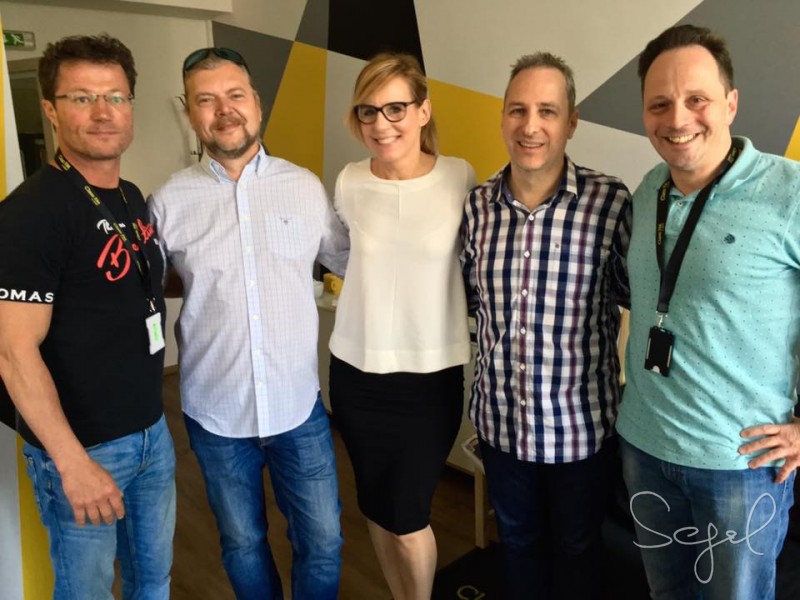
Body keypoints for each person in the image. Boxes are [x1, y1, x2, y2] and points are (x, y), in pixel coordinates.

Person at [148, 47, 348, 600]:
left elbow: (348, 260)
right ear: (189, 112)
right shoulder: (167, 202)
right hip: (215, 412)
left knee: (324, 541)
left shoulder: (304, 187)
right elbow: (151, 285)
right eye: (206, 99)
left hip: (297, 405)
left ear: (256, 103)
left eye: (235, 95)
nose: (224, 110)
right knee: (241, 544)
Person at [616, 24, 800, 600]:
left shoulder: (789, 192)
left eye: (697, 99)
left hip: (739, 465)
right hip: (644, 446)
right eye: (660, 104)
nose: (678, 119)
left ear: (731, 103)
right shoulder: (649, 190)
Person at [0, 34, 174, 599]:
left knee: (154, 582)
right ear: (50, 110)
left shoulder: (130, 195)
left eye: (115, 97)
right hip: (83, 448)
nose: (103, 113)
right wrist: (72, 464)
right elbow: (13, 352)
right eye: (81, 98)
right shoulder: (31, 215)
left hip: (150, 433)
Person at [461, 52, 631, 599]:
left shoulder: (610, 202)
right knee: (517, 545)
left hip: (581, 432)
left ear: (571, 122)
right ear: (503, 117)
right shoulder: (476, 208)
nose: (530, 126)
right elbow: (472, 303)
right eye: (518, 110)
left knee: (579, 550)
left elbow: (638, 297)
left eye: (548, 111)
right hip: (502, 427)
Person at [328, 52, 476, 600]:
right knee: (377, 507)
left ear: (422, 111)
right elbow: (343, 259)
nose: (381, 123)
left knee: (409, 518)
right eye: (368, 111)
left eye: (395, 108)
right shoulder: (349, 181)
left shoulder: (459, 177)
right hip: (356, 371)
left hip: (428, 378)